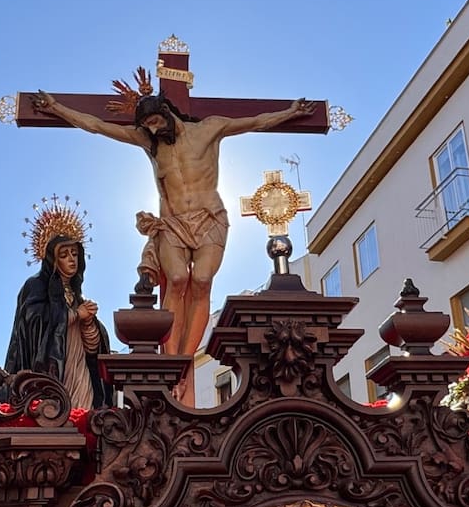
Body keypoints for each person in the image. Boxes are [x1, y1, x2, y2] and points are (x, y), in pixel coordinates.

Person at [31, 90, 313, 405]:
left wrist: (290, 112)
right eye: (147, 126)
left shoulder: (210, 128)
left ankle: (186, 359)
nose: (152, 130)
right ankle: (173, 358)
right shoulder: (150, 145)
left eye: (154, 122)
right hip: (173, 224)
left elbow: (255, 122)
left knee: (202, 280)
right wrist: (56, 108)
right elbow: (96, 125)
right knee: (177, 279)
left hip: (210, 219)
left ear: (166, 111)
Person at [5, 234, 112, 409]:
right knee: (54, 409)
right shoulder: (36, 285)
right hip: (52, 364)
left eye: (74, 254)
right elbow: (33, 320)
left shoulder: (78, 296)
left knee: (82, 409)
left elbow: (93, 349)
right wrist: (75, 315)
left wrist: (89, 324)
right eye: (64, 255)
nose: (71, 259)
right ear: (53, 260)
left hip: (78, 363)